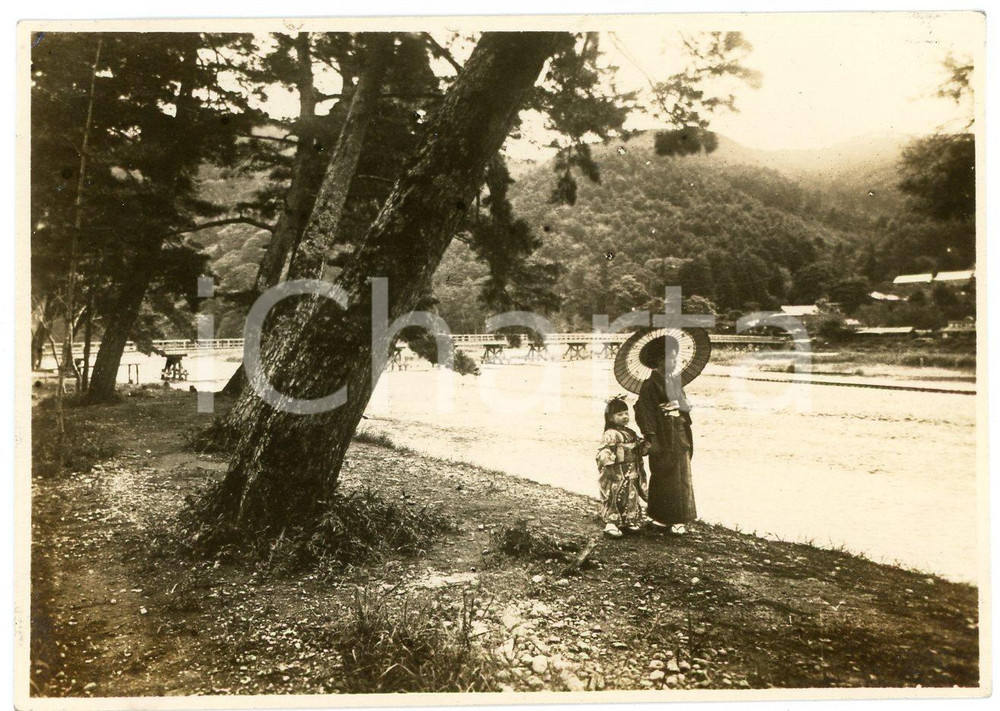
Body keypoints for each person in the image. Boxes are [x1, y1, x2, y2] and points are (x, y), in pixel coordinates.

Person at [633, 335, 696, 534]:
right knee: (664, 473)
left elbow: (685, 406)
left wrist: (682, 405)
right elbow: (644, 411)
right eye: (670, 358)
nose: (674, 363)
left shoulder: (675, 381)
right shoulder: (649, 385)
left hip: (678, 430)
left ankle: (679, 518)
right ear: (659, 360)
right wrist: (650, 435)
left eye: (676, 358)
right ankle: (660, 517)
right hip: (661, 432)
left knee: (681, 473)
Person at [596, 397, 650, 538]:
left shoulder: (630, 432)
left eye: (626, 413)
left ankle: (628, 520)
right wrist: (609, 465)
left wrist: (646, 442)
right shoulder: (610, 434)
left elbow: (640, 447)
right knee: (615, 496)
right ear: (610, 417)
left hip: (632, 469)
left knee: (631, 495)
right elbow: (604, 451)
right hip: (617, 470)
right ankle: (611, 524)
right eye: (619, 414)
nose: (624, 417)